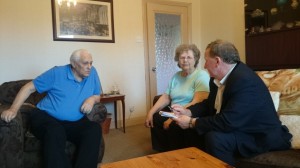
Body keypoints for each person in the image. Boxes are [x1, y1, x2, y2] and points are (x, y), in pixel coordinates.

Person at [171, 40, 292, 166]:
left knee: (215, 138)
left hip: (258, 135)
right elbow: (209, 104)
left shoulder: (245, 81)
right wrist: (188, 111)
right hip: (238, 127)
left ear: (217, 61)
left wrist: (191, 122)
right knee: (188, 129)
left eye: (206, 60)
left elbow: (228, 121)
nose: (204, 66)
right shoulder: (215, 79)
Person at [1, 49, 102, 168]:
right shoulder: (56, 73)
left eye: (91, 63)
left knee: (94, 129)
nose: (89, 67)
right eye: (85, 63)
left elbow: (97, 95)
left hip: (73, 122)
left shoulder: (92, 73)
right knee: (55, 131)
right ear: (74, 64)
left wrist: (91, 100)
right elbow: (28, 88)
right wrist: (13, 109)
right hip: (45, 116)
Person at [144, 44, 210, 152]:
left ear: (196, 59)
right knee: (156, 117)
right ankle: (162, 151)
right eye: (182, 57)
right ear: (178, 60)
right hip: (173, 111)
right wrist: (150, 112)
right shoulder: (176, 76)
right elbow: (166, 96)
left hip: (189, 112)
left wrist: (172, 118)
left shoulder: (201, 75)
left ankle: (176, 155)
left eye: (189, 57)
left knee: (175, 125)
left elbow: (197, 102)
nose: (185, 60)